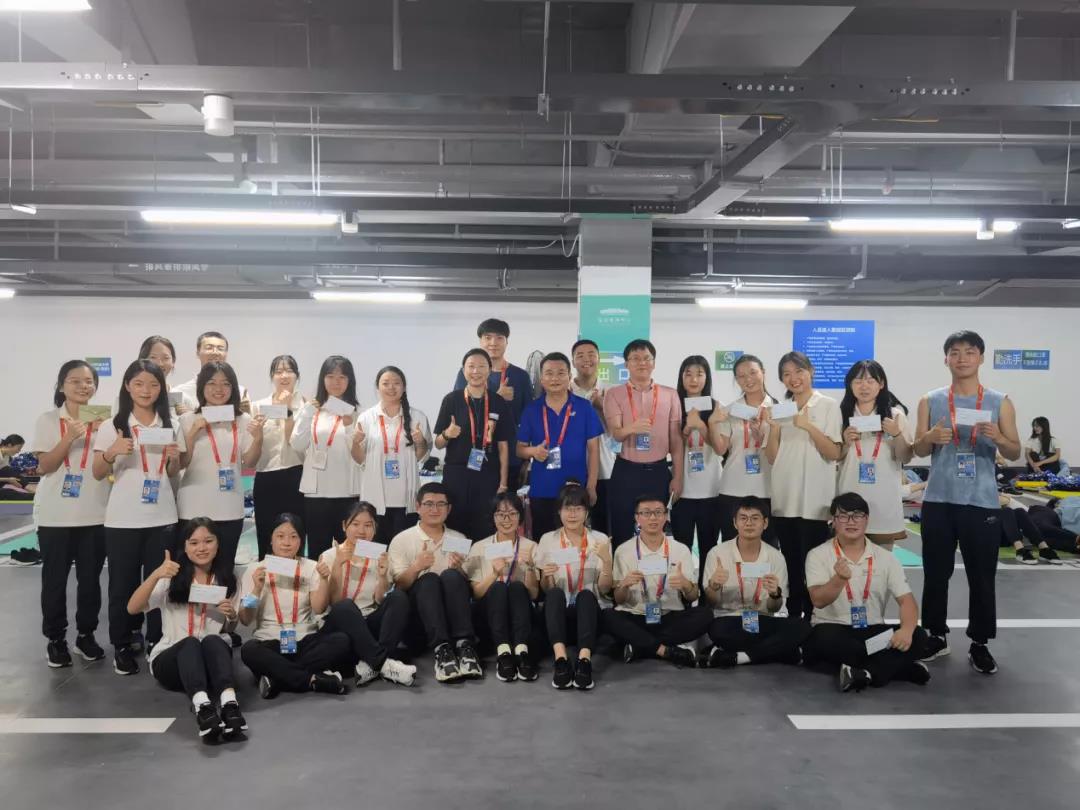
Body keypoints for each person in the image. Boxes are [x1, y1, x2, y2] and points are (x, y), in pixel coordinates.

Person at [914, 330, 1021, 675]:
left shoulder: (999, 401)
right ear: (946, 358)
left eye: (969, 352)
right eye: (955, 352)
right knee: (935, 573)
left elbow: (1014, 451)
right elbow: (918, 449)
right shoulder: (930, 400)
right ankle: (936, 635)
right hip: (939, 499)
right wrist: (930, 437)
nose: (962, 358)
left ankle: (980, 643)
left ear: (981, 358)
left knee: (982, 575)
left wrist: (998, 436)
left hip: (981, 501)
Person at [93, 359, 186, 676]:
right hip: (123, 520)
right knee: (122, 585)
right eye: (139, 384)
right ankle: (121, 643)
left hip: (162, 516)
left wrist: (174, 460)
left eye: (154, 384)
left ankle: (157, 640)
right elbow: (97, 472)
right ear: (127, 386)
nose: (146, 390)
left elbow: (172, 474)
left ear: (162, 389)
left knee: (161, 583)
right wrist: (111, 451)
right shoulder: (113, 425)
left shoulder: (170, 424)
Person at [126, 518, 246, 742]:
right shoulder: (171, 578)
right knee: (190, 643)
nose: (202, 548)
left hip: (210, 661)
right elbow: (132, 608)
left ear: (218, 544)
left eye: (208, 541)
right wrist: (156, 574)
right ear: (185, 546)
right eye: (194, 543)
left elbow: (230, 627)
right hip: (172, 660)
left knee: (214, 640)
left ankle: (230, 706)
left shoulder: (229, 580)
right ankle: (203, 708)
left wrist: (231, 615)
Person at [804, 493, 930, 692]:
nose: (851, 521)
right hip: (834, 628)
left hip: (872, 631)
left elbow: (907, 601)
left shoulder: (886, 558)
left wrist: (906, 631)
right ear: (833, 521)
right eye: (843, 516)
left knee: (918, 635)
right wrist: (839, 579)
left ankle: (864, 673)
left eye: (857, 515)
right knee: (821, 640)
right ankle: (896, 668)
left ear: (867, 520)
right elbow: (818, 600)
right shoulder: (817, 555)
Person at [31, 360, 109, 668]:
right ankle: (55, 639)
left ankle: (86, 635)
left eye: (89, 381)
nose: (83, 386)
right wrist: (69, 437)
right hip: (56, 517)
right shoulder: (49, 420)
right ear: (62, 386)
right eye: (75, 380)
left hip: (96, 515)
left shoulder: (104, 419)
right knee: (54, 582)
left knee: (90, 583)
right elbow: (45, 466)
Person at [764, 351, 842, 620]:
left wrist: (808, 426)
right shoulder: (780, 409)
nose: (793, 378)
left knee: (814, 564)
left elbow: (834, 452)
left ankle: (813, 617)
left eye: (799, 371)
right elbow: (772, 457)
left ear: (811, 372)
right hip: (785, 498)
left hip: (815, 501)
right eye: (786, 374)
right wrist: (774, 429)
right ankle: (794, 615)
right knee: (790, 562)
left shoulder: (828, 405)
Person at [238, 513, 349, 698]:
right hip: (270, 641)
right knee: (249, 650)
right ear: (271, 539)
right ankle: (312, 679)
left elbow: (319, 609)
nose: (286, 542)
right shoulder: (255, 569)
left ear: (301, 541)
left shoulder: (311, 567)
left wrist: (324, 580)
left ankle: (277, 677)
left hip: (304, 638)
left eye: (293, 536)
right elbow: (245, 619)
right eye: (280, 536)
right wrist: (256, 589)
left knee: (341, 640)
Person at [387, 482, 482, 683]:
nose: (435, 509)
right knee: (429, 579)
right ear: (418, 506)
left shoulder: (459, 539)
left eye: (441, 504)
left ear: (449, 509)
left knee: (452, 576)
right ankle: (442, 651)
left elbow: (471, 588)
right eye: (429, 504)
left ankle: (465, 647)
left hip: (453, 617)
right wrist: (416, 567)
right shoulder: (402, 540)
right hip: (419, 621)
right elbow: (399, 586)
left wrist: (459, 570)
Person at [602, 495, 712, 668]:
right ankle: (665, 650)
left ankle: (641, 647)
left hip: (669, 616)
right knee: (608, 616)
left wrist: (686, 585)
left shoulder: (680, 550)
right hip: (636, 615)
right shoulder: (624, 550)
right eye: (646, 513)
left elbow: (692, 597)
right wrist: (624, 585)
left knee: (705, 615)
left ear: (666, 516)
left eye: (658, 512)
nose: (653, 518)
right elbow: (619, 599)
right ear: (637, 517)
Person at [700, 496, 809, 669]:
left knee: (801, 627)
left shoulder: (776, 557)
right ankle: (779, 652)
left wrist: (775, 594)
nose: (749, 523)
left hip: (763, 620)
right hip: (730, 619)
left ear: (765, 523)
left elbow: (774, 608)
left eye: (755, 518)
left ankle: (741, 657)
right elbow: (712, 603)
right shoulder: (717, 553)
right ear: (735, 523)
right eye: (743, 518)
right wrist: (713, 586)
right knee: (717, 629)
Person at [318, 501, 417, 687]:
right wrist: (338, 565)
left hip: (368, 623)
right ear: (344, 526)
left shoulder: (379, 555)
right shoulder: (329, 555)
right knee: (345, 606)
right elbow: (334, 602)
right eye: (355, 524)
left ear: (375, 528)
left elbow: (379, 600)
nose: (361, 531)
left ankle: (372, 664)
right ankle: (384, 663)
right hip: (340, 624)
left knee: (398, 597)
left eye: (368, 525)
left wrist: (382, 576)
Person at [177, 362, 265, 568]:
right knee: (190, 572)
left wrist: (258, 438)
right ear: (201, 387)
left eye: (225, 384)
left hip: (229, 507)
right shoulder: (187, 419)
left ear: (233, 388)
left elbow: (249, 463)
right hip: (193, 506)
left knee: (224, 569)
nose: (219, 389)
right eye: (212, 383)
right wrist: (192, 433)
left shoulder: (243, 420)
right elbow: (181, 463)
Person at [603, 339, 684, 548]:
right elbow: (615, 434)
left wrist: (677, 477)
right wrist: (631, 428)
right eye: (635, 358)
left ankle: (655, 568)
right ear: (626, 364)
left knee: (656, 529)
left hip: (658, 471)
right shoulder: (614, 394)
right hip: (626, 470)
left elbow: (676, 440)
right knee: (621, 529)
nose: (642, 363)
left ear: (654, 363)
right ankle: (622, 569)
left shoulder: (670, 394)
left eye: (647, 358)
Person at [517, 352, 603, 540]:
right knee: (544, 541)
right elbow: (520, 449)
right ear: (541, 379)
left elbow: (593, 450)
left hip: (575, 489)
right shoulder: (531, 410)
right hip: (542, 488)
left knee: (575, 541)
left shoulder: (584, 407)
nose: (555, 378)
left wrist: (591, 486)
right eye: (549, 373)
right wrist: (533, 451)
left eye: (561, 373)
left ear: (569, 376)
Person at [536, 482, 613, 690]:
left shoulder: (599, 540)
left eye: (578, 508)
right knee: (554, 594)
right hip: (559, 616)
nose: (572, 514)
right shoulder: (548, 540)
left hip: (589, 616)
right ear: (559, 511)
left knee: (586, 595)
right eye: (567, 508)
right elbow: (545, 590)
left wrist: (606, 562)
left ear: (586, 512)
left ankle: (584, 662)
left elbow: (605, 590)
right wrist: (547, 576)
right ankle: (561, 660)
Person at [434, 349, 512, 542]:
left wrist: (503, 483)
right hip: (457, 474)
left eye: (481, 366)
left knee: (485, 526)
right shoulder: (451, 400)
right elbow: (438, 443)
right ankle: (456, 562)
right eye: (471, 366)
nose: (476, 371)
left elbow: (503, 446)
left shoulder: (498, 401)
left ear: (489, 370)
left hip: (488, 474)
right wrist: (447, 434)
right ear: (463, 370)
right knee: (455, 525)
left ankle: (481, 561)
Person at [289, 355, 362, 560]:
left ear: (350, 381)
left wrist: (349, 425)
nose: (336, 382)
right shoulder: (311, 410)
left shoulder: (357, 413)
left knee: (347, 552)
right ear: (323, 379)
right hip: (316, 492)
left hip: (347, 492)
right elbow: (297, 444)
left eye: (342, 377)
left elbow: (360, 454)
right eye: (330, 376)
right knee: (317, 550)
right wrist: (307, 413)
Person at [837, 360, 913, 551]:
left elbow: (905, 457)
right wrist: (845, 443)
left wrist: (897, 434)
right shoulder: (841, 415)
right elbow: (834, 457)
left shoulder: (895, 415)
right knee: (848, 560)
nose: (864, 386)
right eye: (858, 381)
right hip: (850, 496)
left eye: (870, 381)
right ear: (850, 385)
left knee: (881, 561)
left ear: (881, 384)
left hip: (884, 499)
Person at [464, 492, 540, 682]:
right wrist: (494, 574)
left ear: (520, 517)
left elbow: (533, 594)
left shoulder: (531, 547)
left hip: (520, 614)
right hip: (489, 615)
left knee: (516, 587)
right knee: (498, 587)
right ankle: (503, 653)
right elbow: (476, 594)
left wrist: (530, 568)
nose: (507, 520)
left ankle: (522, 652)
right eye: (500, 514)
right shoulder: (479, 547)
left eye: (512, 514)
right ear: (493, 517)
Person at [355, 366, 432, 544]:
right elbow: (359, 459)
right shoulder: (366, 418)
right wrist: (354, 443)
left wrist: (420, 442)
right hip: (375, 500)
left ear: (404, 387)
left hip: (406, 500)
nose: (391, 387)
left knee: (403, 550)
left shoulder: (417, 417)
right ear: (377, 387)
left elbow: (421, 457)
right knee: (374, 551)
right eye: (386, 383)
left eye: (396, 383)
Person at [453, 318, 534, 487]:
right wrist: (497, 398)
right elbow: (460, 412)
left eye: (499, 338)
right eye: (487, 337)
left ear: (506, 342)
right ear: (480, 341)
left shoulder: (520, 376)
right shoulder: (466, 374)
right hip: (475, 453)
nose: (493, 343)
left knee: (507, 502)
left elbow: (529, 420)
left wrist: (527, 459)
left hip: (511, 456)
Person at [671, 355, 727, 581]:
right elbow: (669, 445)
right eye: (688, 374)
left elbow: (720, 448)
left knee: (709, 548)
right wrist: (686, 429)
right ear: (681, 377)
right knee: (681, 549)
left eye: (699, 374)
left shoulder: (716, 407)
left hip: (711, 491)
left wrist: (702, 426)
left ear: (707, 377)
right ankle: (683, 594)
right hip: (682, 491)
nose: (694, 379)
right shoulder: (674, 404)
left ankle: (706, 596)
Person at [716, 355, 777, 544]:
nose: (748, 379)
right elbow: (721, 449)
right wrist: (712, 422)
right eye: (741, 376)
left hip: (768, 489)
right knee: (731, 546)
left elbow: (781, 453)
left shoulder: (778, 409)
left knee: (768, 547)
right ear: (736, 380)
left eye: (753, 372)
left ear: (763, 373)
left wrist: (762, 437)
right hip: (733, 487)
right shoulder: (730, 411)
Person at [252, 355, 307, 559]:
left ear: (297, 376)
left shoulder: (306, 406)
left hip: (297, 476)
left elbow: (297, 445)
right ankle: (267, 577)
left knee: (296, 536)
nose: (284, 375)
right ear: (272, 377)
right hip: (266, 477)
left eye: (289, 371)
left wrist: (288, 411)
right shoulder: (258, 406)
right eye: (278, 371)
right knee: (266, 536)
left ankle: (297, 578)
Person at [569, 339, 616, 534]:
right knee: (571, 526)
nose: (586, 359)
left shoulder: (612, 391)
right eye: (580, 356)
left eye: (591, 355)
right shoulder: (565, 390)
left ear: (599, 359)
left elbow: (617, 432)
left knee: (603, 528)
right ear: (573, 361)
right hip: (572, 468)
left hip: (605, 468)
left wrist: (601, 406)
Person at [172, 331, 250, 414]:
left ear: (226, 354)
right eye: (209, 348)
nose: (215, 352)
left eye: (220, 349)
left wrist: (245, 413)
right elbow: (173, 420)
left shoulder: (240, 391)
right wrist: (187, 417)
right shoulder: (180, 392)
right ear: (197, 353)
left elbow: (246, 420)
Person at [997, 494, 1063, 564]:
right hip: (993, 537)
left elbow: (1004, 501)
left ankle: (1043, 548)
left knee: (1020, 511)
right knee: (1006, 511)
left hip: (1005, 535)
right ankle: (1020, 550)